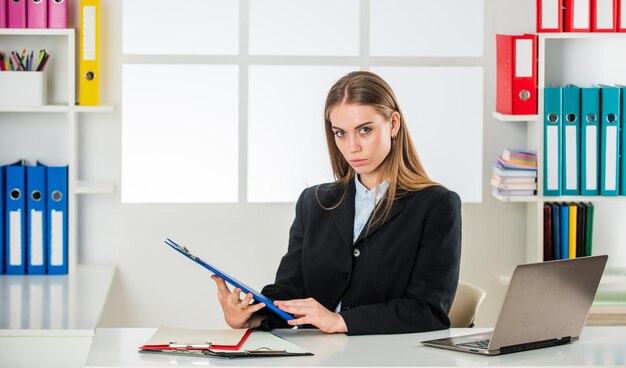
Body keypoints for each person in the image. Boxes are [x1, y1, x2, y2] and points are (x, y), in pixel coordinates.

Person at [211, 71, 462, 336]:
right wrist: (251, 316)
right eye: (340, 133)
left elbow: (428, 311)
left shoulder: (436, 205)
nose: (353, 146)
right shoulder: (314, 202)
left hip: (388, 357)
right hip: (317, 356)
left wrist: (340, 321)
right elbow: (289, 292)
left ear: (394, 124)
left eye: (365, 130)